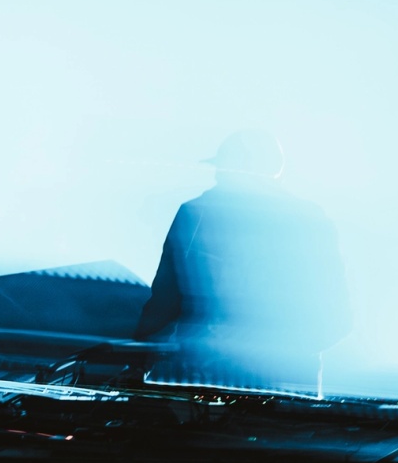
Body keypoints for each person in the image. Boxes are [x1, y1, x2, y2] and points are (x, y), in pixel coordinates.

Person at [135, 128, 351, 392]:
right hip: (275, 392)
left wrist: (136, 359)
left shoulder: (196, 215)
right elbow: (336, 320)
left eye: (224, 169)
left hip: (212, 386)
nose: (218, 177)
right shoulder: (308, 221)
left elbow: (162, 307)